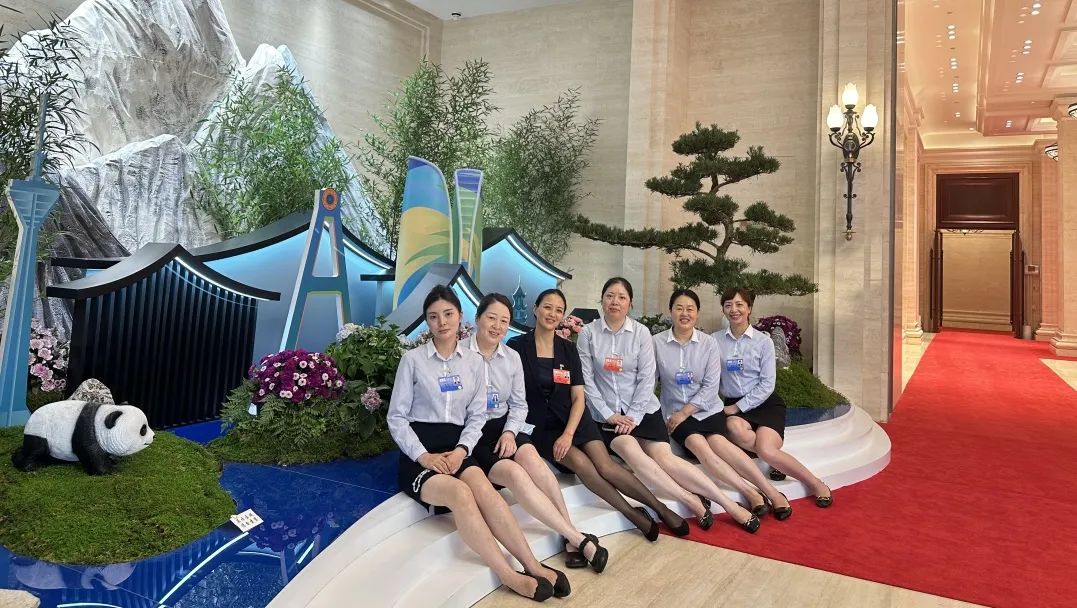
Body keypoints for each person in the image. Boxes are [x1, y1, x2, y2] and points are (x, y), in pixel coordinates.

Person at [387, 285, 564, 603]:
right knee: (461, 494)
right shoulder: (412, 361)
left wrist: (462, 450)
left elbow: (477, 415)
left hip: (457, 449)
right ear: (427, 321)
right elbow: (396, 418)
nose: (442, 322)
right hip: (420, 455)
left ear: (460, 316)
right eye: (433, 316)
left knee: (486, 491)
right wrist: (424, 456)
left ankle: (532, 564)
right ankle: (507, 574)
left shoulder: (472, 362)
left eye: (448, 314)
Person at [507, 288, 688, 546]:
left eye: (559, 310)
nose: (552, 314)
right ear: (535, 309)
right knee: (583, 465)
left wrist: (569, 433)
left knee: (606, 466)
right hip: (543, 428)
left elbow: (579, 397)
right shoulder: (516, 347)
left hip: (575, 420)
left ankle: (660, 508)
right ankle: (633, 514)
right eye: (547, 307)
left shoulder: (568, 348)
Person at [578, 278, 759, 534]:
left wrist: (634, 416)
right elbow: (587, 381)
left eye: (621, 297)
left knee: (665, 459)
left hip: (644, 411)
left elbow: (647, 380)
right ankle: (691, 501)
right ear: (602, 299)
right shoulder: (588, 333)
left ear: (630, 303)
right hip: (607, 417)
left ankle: (729, 504)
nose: (615, 302)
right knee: (633, 453)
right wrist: (609, 415)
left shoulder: (641, 333)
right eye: (610, 295)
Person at [463, 293, 608, 573]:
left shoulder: (510, 356)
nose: (497, 326)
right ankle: (578, 539)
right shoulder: (460, 355)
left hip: (505, 426)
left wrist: (509, 432)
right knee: (518, 475)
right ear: (478, 318)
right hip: (475, 434)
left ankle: (570, 535)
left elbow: (519, 405)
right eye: (491, 318)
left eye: (503, 321)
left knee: (536, 465)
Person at [655, 289, 792, 522]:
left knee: (720, 444)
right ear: (670, 311)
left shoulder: (708, 343)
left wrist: (687, 411)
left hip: (707, 409)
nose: (684, 313)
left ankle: (771, 492)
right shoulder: (656, 343)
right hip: (676, 412)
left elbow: (711, 385)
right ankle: (751, 492)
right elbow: (649, 381)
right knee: (701, 447)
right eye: (679, 308)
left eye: (690, 309)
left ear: (697, 313)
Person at [715, 287, 833, 509]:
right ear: (723, 309)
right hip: (733, 404)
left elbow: (768, 384)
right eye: (728, 305)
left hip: (765, 403)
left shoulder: (763, 342)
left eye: (740, 305)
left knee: (766, 449)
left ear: (749, 308)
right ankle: (775, 461)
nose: (734, 310)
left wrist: (737, 407)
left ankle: (816, 483)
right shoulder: (714, 341)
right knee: (734, 428)